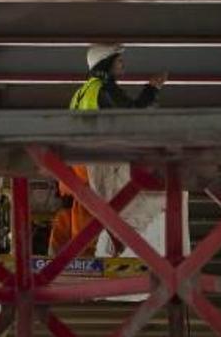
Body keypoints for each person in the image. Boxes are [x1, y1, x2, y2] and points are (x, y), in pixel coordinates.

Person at [48, 44, 168, 255]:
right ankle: (90, 259)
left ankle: (71, 260)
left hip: (74, 163)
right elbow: (133, 115)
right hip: (94, 162)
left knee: (82, 211)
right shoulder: (103, 89)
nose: (123, 64)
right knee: (102, 212)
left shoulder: (81, 92)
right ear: (106, 64)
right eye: (118, 60)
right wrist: (151, 89)